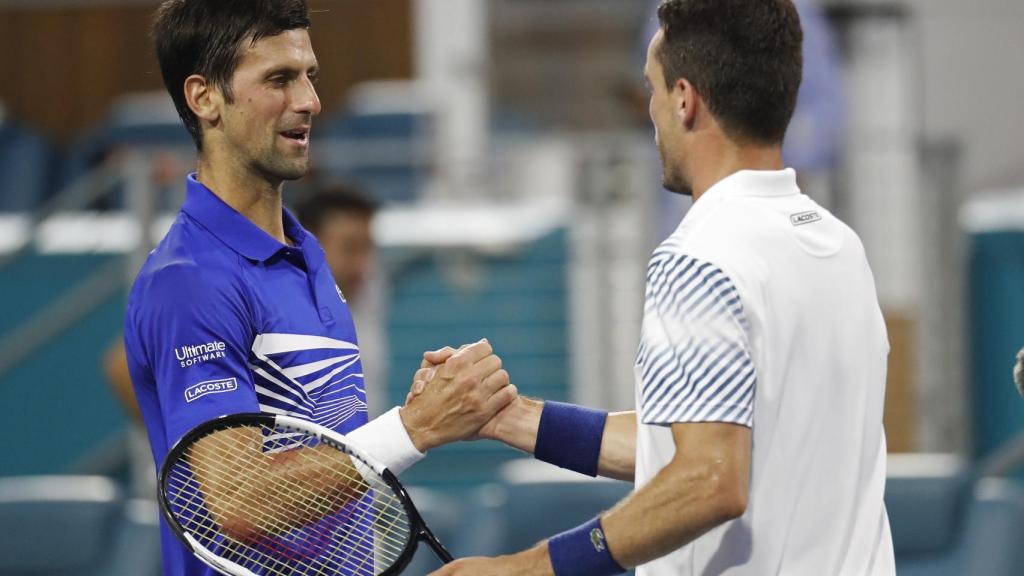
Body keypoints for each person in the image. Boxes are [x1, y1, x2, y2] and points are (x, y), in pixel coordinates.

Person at [429, 1, 895, 574]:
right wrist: (516, 418)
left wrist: (527, 568)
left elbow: (709, 479)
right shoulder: (837, 246)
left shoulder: (701, 255)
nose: (648, 110)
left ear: (683, 97)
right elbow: (700, 444)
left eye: (650, 88)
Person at [123, 2, 515, 576]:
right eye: (279, 79)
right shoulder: (188, 283)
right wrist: (414, 428)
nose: (309, 100)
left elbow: (327, 461)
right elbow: (236, 502)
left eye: (310, 75)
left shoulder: (308, 255)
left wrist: (413, 410)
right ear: (204, 98)